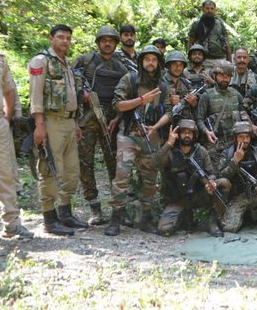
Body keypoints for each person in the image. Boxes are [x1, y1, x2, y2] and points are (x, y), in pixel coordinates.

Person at [105, 45, 172, 236]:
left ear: (159, 63)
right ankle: (115, 217)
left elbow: (168, 111)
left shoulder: (163, 85)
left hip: (151, 136)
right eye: (147, 59)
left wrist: (156, 127)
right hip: (129, 135)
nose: (150, 63)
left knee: (150, 179)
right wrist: (140, 100)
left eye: (154, 59)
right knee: (122, 177)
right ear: (141, 61)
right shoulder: (130, 79)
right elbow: (117, 104)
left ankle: (146, 218)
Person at [29, 24, 88, 236]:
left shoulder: (67, 64)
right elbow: (35, 95)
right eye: (61, 37)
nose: (65, 41)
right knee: (51, 169)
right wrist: (39, 124)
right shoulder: (41, 61)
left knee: (71, 172)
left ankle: (65, 213)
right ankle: (49, 218)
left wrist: (75, 123)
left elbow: (70, 96)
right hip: (51, 122)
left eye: (68, 38)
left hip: (69, 123)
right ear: (51, 38)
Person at [72, 25, 128, 225]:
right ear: (98, 42)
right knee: (85, 163)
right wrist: (82, 95)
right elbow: (70, 82)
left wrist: (118, 118)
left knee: (114, 163)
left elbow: (125, 94)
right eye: (104, 40)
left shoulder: (120, 67)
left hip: (110, 121)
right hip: (86, 119)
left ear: (115, 44)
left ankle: (118, 208)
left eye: (111, 40)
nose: (107, 43)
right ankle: (94, 207)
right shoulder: (84, 61)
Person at [156, 119, 224, 237]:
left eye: (190, 132)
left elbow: (211, 172)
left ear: (194, 135)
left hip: (197, 196)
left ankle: (212, 221)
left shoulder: (201, 151)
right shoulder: (170, 151)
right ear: (179, 134)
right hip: (176, 199)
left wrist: (210, 182)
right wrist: (169, 143)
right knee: (164, 230)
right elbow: (154, 164)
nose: (187, 135)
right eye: (184, 132)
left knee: (223, 183)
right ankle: (184, 217)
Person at [219, 121, 257, 233]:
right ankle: (247, 215)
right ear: (235, 138)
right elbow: (220, 177)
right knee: (229, 228)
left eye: (247, 136)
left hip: (255, 193)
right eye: (241, 137)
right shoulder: (226, 153)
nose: (245, 140)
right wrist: (234, 162)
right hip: (237, 198)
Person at [0, 50, 33, 238]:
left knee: (6, 174)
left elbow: (9, 90)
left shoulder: (0, 58)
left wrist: (7, 117)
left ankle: (11, 223)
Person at [196, 61, 251, 161]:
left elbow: (245, 114)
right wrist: (207, 132)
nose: (225, 78)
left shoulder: (236, 95)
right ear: (215, 76)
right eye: (221, 75)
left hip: (234, 144)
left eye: (227, 76)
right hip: (214, 143)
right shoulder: (207, 95)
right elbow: (199, 119)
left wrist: (252, 125)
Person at [187, 0, 231, 68]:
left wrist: (229, 61)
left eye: (212, 8)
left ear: (215, 10)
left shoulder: (219, 24)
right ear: (203, 9)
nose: (209, 10)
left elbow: (227, 43)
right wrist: (191, 62)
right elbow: (190, 43)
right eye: (207, 8)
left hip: (220, 59)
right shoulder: (196, 24)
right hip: (203, 60)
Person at [162, 51, 198, 123]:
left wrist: (194, 103)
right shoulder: (161, 82)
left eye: (180, 65)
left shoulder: (186, 83)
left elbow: (195, 106)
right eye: (174, 64)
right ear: (169, 66)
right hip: (165, 123)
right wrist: (168, 102)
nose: (178, 67)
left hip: (184, 123)